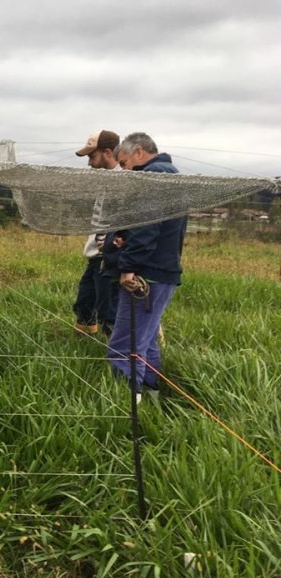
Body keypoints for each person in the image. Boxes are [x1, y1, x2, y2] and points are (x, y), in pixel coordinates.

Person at [104, 132, 187, 395]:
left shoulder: (153, 176)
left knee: (125, 343)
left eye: (125, 163)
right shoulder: (170, 174)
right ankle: (150, 391)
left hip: (146, 275)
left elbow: (146, 226)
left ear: (139, 152)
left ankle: (125, 402)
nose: (126, 170)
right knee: (146, 337)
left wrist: (128, 266)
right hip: (161, 272)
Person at [72, 130, 121, 335]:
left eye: (92, 156)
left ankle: (120, 357)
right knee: (85, 302)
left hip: (108, 257)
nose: (89, 163)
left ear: (107, 152)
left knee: (108, 310)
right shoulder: (106, 180)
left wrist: (109, 252)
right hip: (95, 256)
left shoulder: (124, 181)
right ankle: (83, 340)